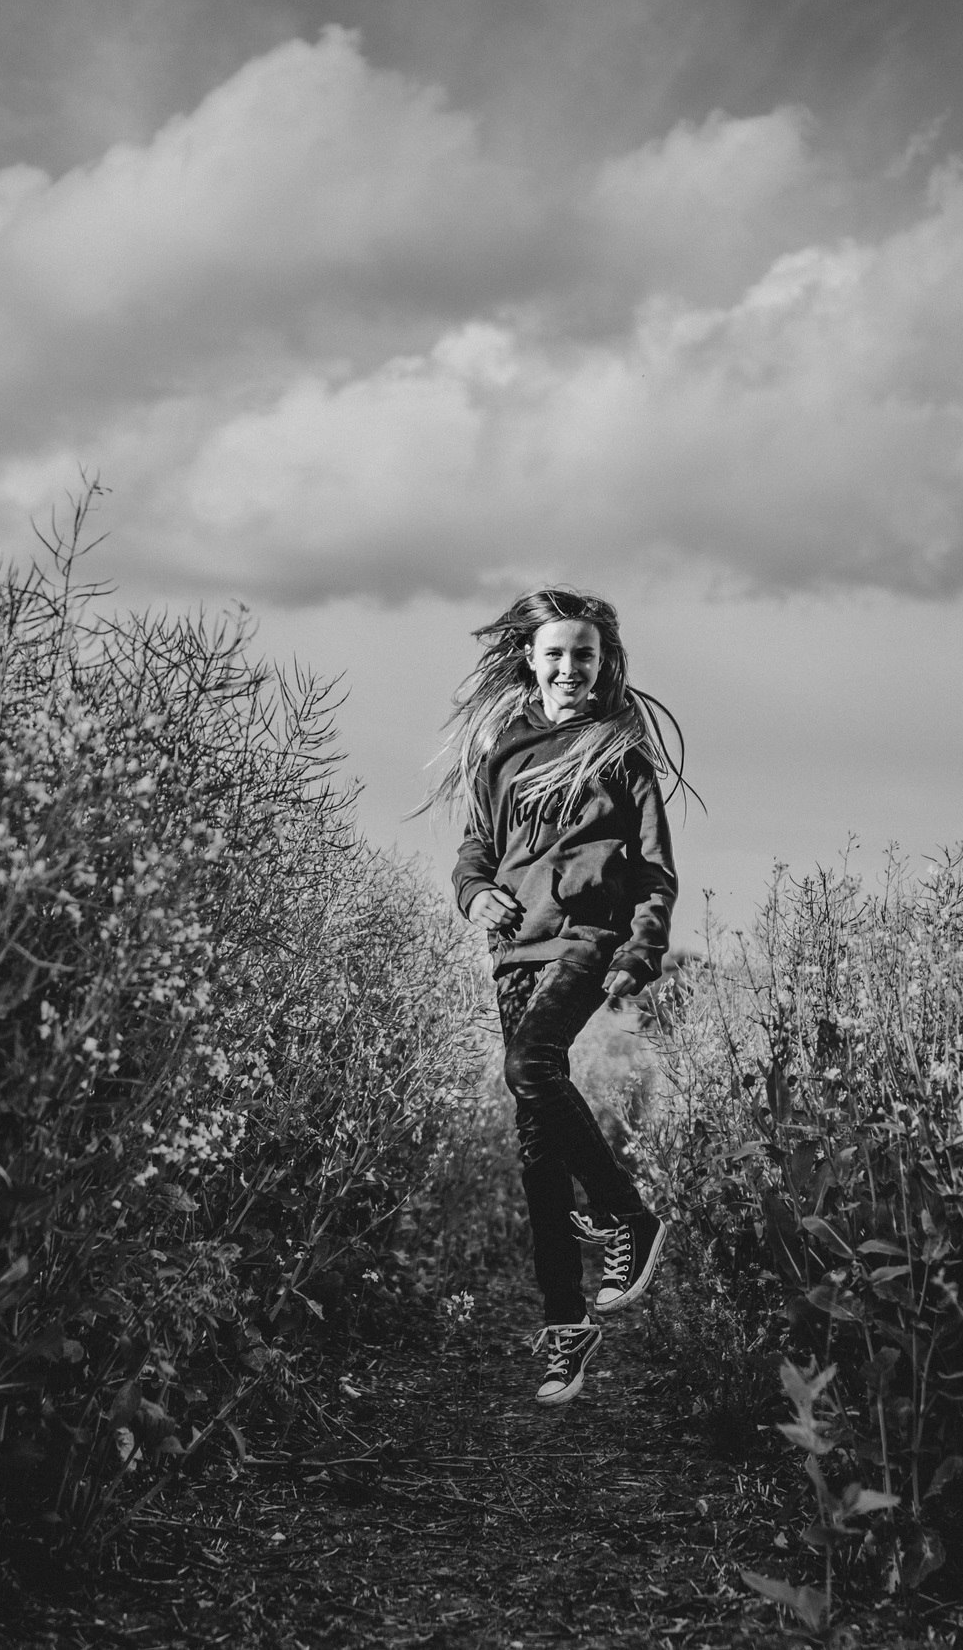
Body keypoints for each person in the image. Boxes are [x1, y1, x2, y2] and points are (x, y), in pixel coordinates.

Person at [429, 586, 687, 1406]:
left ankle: (628, 1216)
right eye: (557, 653)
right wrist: (477, 896)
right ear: (532, 661)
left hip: (583, 939)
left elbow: (652, 872)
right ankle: (565, 1331)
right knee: (537, 1151)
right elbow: (475, 848)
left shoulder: (621, 753)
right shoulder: (502, 749)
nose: (571, 666)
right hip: (515, 951)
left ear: (603, 662)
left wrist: (639, 951)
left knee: (531, 1063)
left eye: (585, 653)